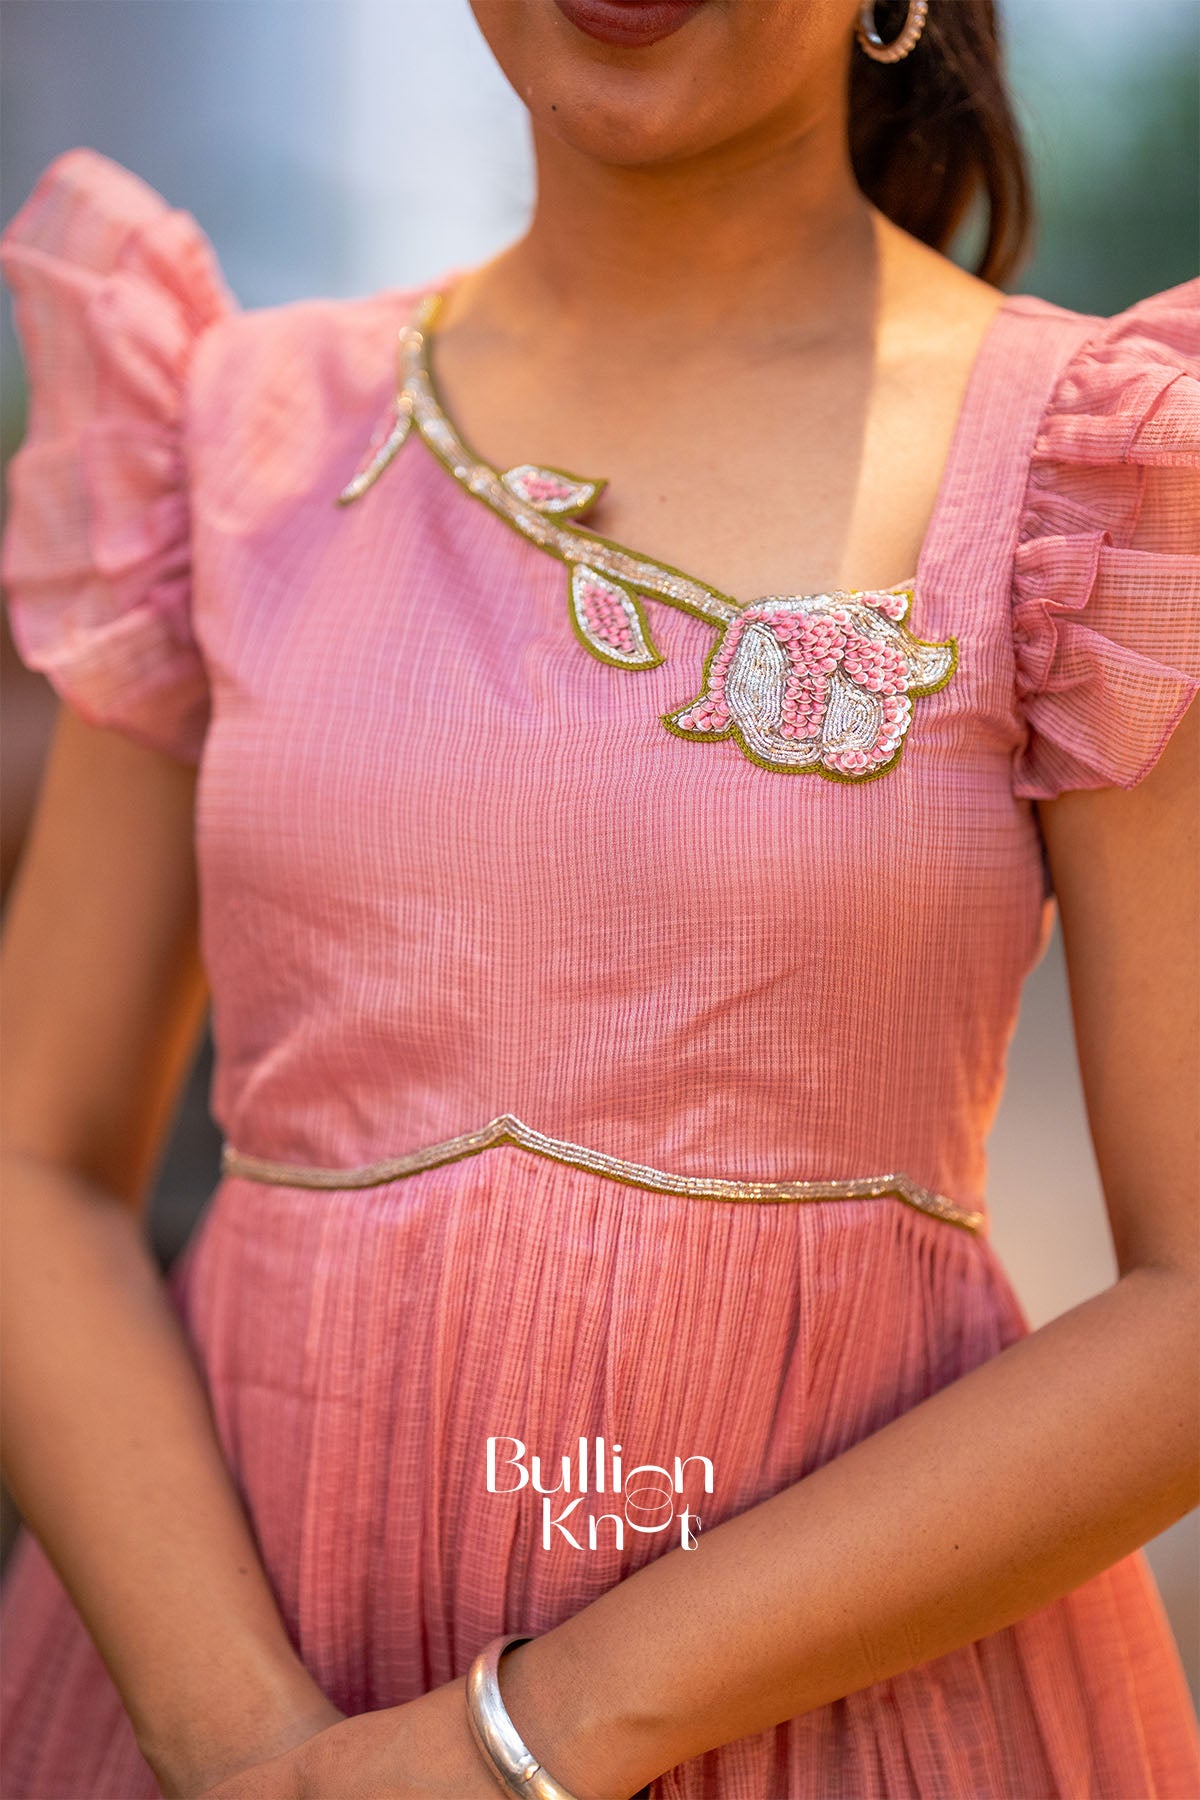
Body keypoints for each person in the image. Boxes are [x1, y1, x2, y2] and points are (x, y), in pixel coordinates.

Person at [1, 0, 1198, 1795]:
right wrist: (252, 1744)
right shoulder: (225, 436)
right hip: (221, 1703)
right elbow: (33, 1161)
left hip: (847, 1720)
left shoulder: (1088, 474)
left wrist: (523, 1742)